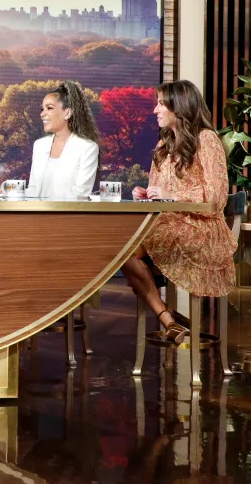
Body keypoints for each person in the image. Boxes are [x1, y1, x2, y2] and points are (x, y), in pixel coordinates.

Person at [120, 80, 237, 344]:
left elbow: (216, 197)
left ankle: (168, 319)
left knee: (126, 251)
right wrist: (147, 193)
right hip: (167, 224)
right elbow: (158, 189)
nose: (155, 110)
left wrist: (171, 196)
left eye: (161, 103)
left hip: (202, 228)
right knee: (122, 251)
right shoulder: (164, 145)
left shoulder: (206, 139)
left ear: (180, 106)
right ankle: (168, 320)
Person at [27, 80, 100, 199]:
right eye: (42, 109)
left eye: (49, 108)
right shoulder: (39, 146)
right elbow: (33, 190)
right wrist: (13, 191)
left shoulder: (87, 148)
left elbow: (80, 194)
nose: (42, 114)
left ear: (67, 113)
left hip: (69, 216)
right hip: (37, 215)